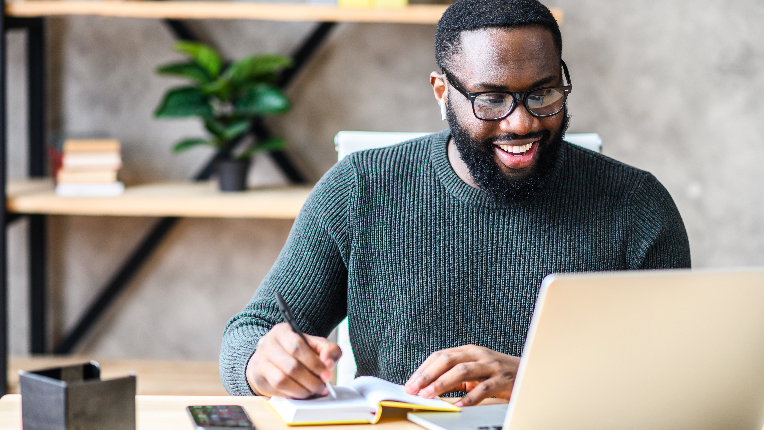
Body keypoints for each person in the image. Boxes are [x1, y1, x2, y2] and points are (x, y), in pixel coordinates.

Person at [220, 0, 691, 407]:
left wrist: (533, 378)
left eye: (543, 93)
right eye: (490, 99)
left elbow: (683, 379)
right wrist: (264, 364)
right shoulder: (359, 190)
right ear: (442, 93)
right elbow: (248, 334)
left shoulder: (637, 206)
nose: (520, 123)